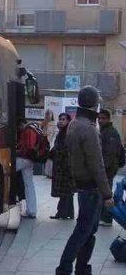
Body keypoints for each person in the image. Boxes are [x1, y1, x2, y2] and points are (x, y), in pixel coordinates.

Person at [56, 86, 114, 275]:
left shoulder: (74, 124)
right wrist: (107, 194)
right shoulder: (89, 129)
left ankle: (82, 268)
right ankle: (65, 267)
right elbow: (97, 165)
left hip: (81, 185)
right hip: (92, 188)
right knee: (84, 230)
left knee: (88, 230)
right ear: (94, 103)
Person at [98, 109, 125, 226]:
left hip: (107, 170)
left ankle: (107, 218)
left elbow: (109, 154)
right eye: (99, 118)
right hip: (107, 169)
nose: (100, 120)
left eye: (103, 118)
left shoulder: (110, 133)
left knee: (106, 193)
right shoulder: (105, 131)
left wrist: (102, 169)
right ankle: (104, 217)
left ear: (108, 119)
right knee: (104, 193)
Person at [49, 113, 74, 220]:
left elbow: (66, 150)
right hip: (61, 166)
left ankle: (63, 213)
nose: (61, 121)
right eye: (60, 119)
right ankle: (67, 212)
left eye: (63, 119)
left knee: (66, 191)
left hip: (65, 167)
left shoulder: (68, 133)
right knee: (66, 192)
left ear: (68, 121)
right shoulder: (61, 133)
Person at [16, 118, 37, 219]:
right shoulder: (33, 129)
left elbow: (27, 147)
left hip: (23, 158)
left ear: (21, 124)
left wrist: (17, 152)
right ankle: (32, 210)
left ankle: (30, 210)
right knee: (29, 184)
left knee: (6, 170)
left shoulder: (27, 131)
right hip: (30, 159)